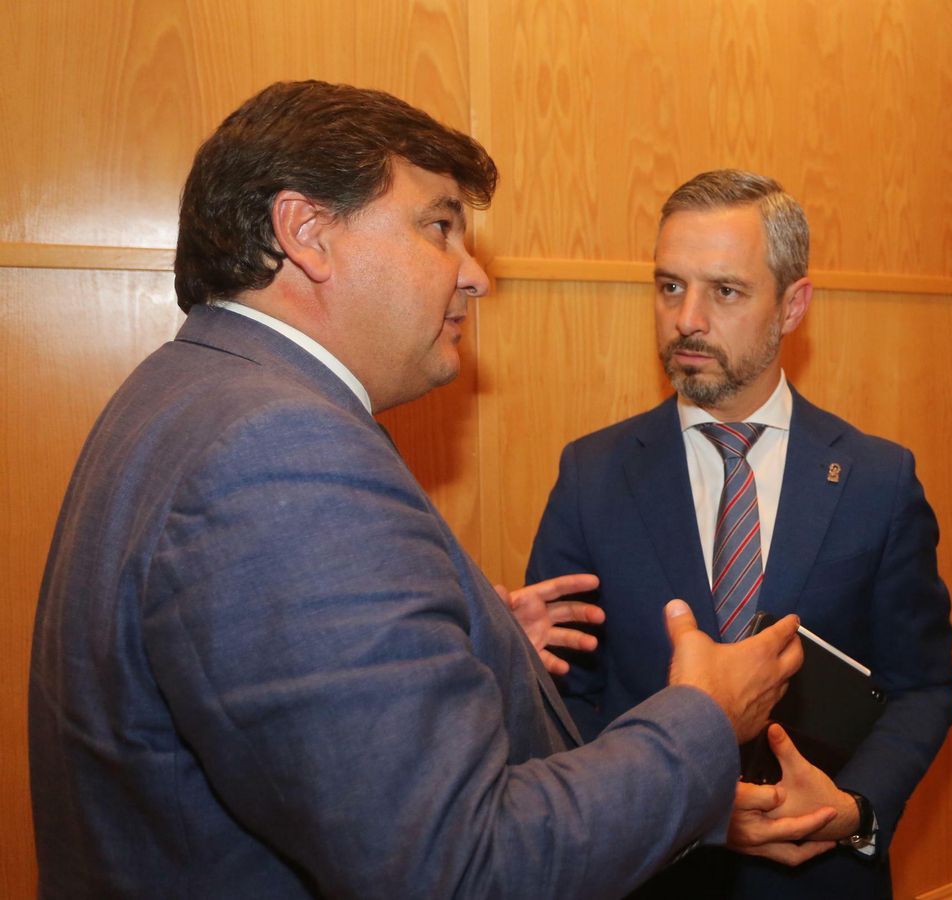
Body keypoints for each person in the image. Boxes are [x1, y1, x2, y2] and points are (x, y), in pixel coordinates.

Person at [28, 81, 810, 900]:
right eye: (439, 226)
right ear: (307, 233)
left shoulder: (188, 387)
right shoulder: (280, 451)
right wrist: (703, 719)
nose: (474, 275)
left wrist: (470, 641)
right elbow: (461, 868)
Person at [521, 169, 952, 898]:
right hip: (648, 874)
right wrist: (678, 808)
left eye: (725, 291)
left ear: (794, 305)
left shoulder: (878, 481)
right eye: (669, 287)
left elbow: (922, 687)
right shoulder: (591, 475)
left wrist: (850, 809)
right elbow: (563, 697)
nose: (687, 318)